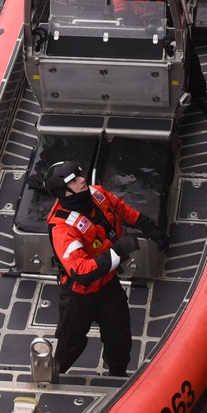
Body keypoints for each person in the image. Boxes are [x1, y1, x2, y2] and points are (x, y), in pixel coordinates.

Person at [45, 161, 168, 377]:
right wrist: (120, 251)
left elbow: (123, 210)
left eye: (79, 176)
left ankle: (117, 374)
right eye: (73, 181)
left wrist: (152, 230)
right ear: (63, 191)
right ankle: (52, 376)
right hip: (79, 297)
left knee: (119, 336)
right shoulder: (62, 229)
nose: (82, 180)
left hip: (108, 286)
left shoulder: (97, 194)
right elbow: (82, 272)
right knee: (70, 344)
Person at [112, 0, 207, 115]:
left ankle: (199, 94)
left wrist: (169, 8)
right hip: (136, 22)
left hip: (168, 17)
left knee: (188, 55)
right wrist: (122, 14)